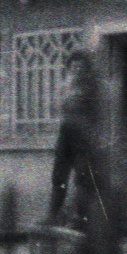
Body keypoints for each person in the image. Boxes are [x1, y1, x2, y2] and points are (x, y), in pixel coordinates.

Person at [48, 50, 102, 226]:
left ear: (86, 70)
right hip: (66, 135)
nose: (77, 70)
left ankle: (80, 218)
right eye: (74, 67)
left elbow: (98, 115)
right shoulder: (65, 87)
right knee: (58, 177)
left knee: (82, 178)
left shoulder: (92, 89)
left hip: (84, 136)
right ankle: (53, 216)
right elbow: (58, 109)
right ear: (69, 69)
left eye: (81, 67)